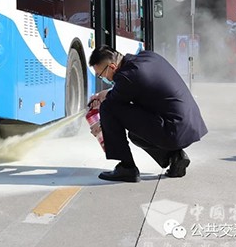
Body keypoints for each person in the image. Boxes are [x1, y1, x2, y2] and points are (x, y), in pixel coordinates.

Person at [88, 45, 208, 183]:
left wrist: (99, 124)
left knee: (108, 108)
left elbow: (113, 105)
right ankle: (175, 157)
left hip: (173, 129)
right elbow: (127, 92)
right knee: (136, 135)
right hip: (188, 125)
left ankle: (126, 168)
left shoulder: (128, 77)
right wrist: (106, 94)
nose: (103, 78)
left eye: (101, 75)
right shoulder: (148, 57)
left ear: (113, 67)